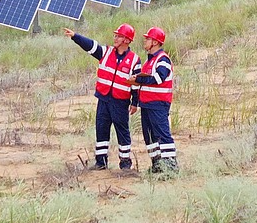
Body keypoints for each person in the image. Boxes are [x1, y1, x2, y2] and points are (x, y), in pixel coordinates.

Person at [64, 23, 141, 170]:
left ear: (126, 40)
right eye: (115, 35)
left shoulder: (134, 60)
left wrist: (135, 102)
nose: (115, 38)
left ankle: (125, 163)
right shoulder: (105, 52)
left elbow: (136, 84)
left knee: (122, 131)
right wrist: (75, 37)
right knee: (101, 129)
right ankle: (101, 162)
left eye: (118, 36)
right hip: (104, 99)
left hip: (120, 102)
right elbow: (91, 45)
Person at [134, 26, 178, 174]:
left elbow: (159, 78)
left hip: (158, 103)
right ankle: (157, 165)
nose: (144, 41)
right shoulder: (149, 62)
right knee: (150, 136)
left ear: (155, 42)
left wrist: (138, 79)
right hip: (147, 104)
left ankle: (171, 167)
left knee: (162, 133)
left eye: (147, 39)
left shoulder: (162, 59)